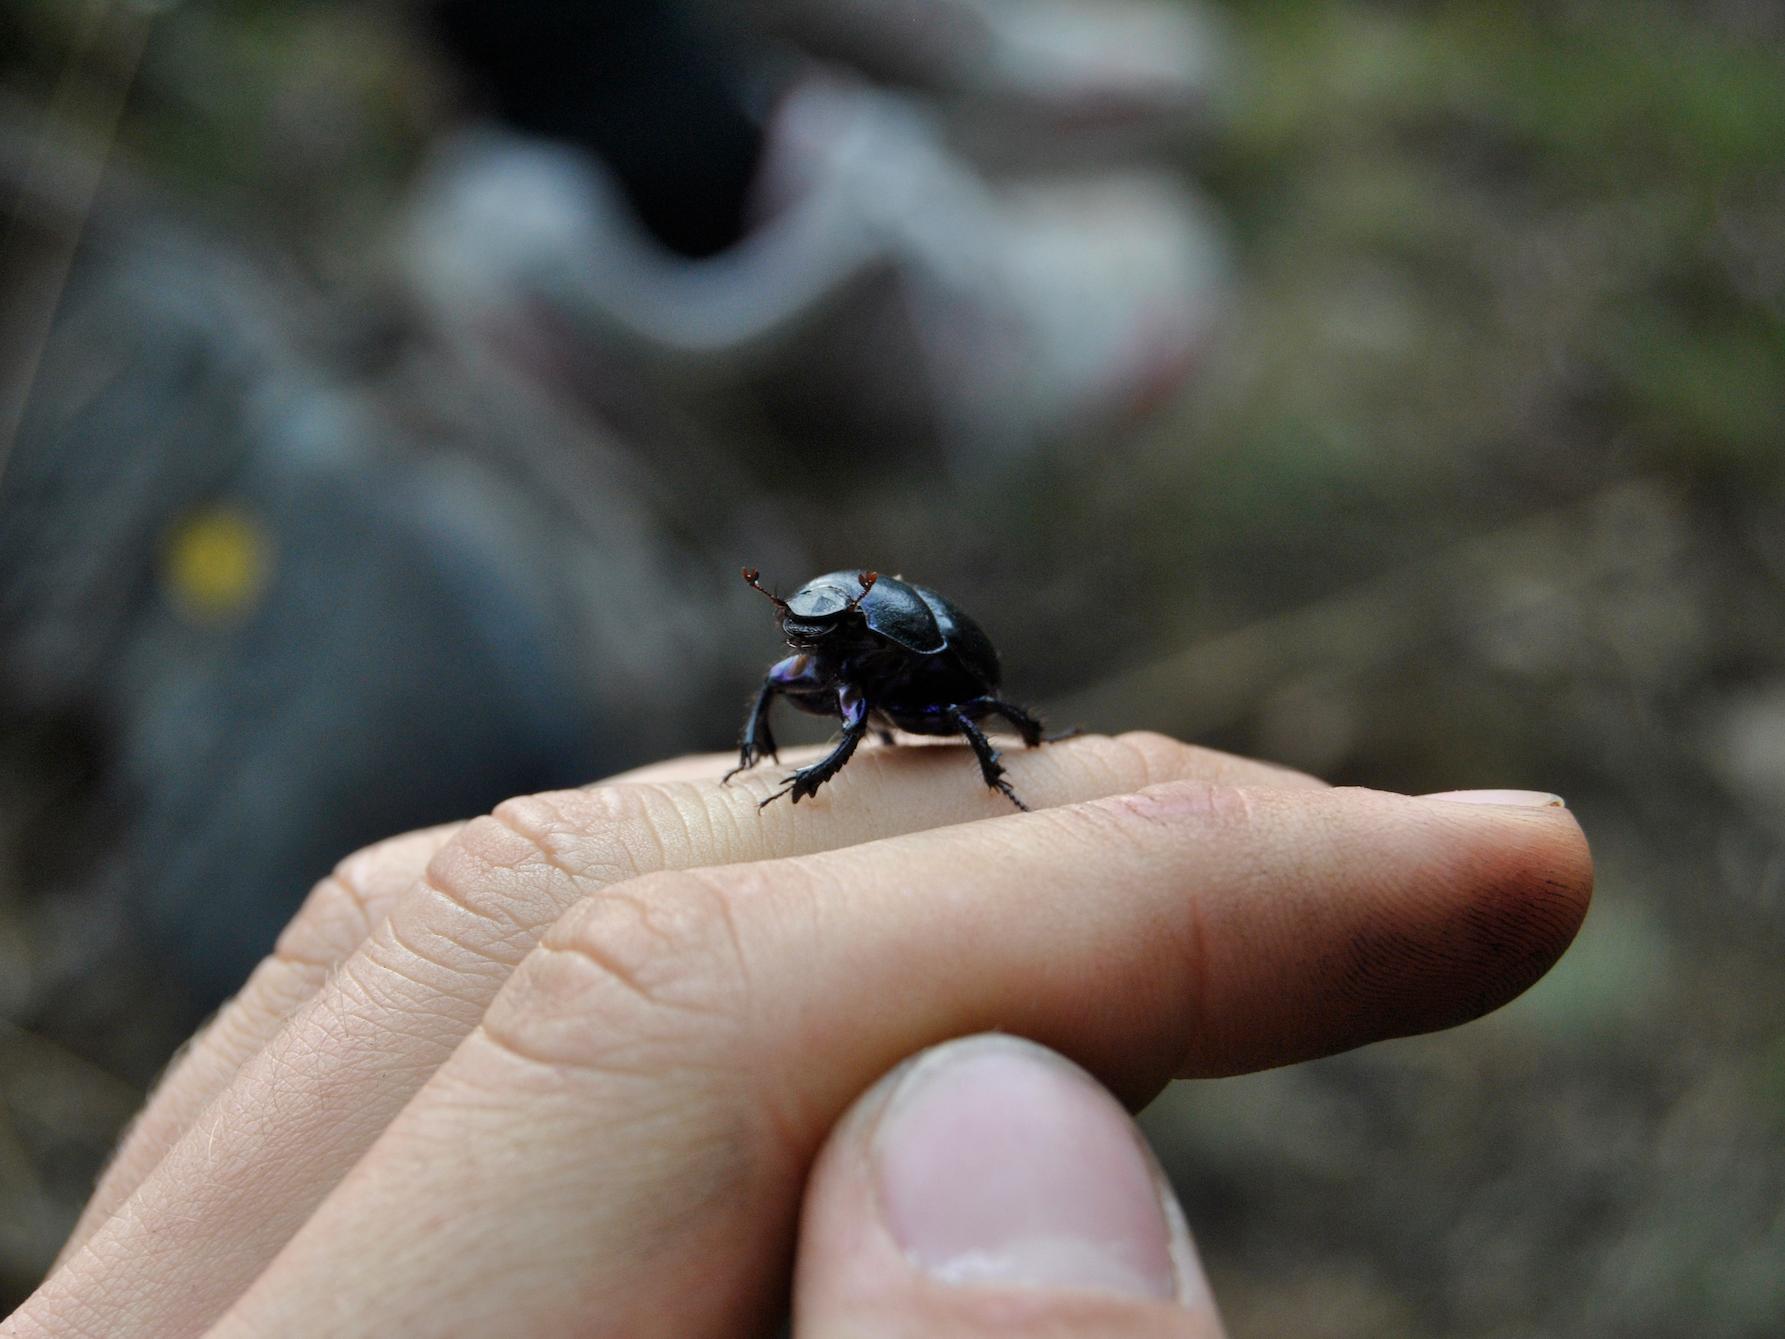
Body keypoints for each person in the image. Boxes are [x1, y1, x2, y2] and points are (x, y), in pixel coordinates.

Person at [6, 732, 1592, 1336]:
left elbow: (918, 699)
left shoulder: (893, 667)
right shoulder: (826, 661)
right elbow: (822, 691)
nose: (809, 640)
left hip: (954, 703)